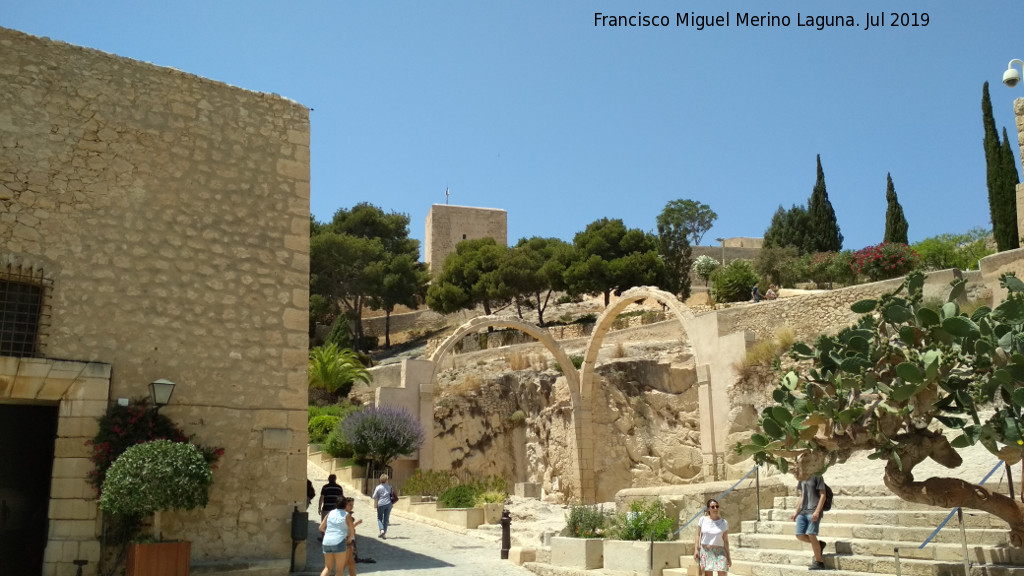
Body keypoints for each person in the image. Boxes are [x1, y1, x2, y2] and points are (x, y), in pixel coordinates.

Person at [790, 474, 828, 570]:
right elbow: (802, 496)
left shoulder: (817, 476)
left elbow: (823, 494)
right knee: (799, 535)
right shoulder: (801, 477)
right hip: (803, 511)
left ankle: (819, 562)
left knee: (811, 534)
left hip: (814, 510)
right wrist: (796, 512)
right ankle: (819, 545)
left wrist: (817, 511)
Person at [318, 497, 356, 576]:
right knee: (339, 570)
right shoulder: (347, 515)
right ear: (345, 505)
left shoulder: (330, 513)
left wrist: (328, 532)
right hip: (339, 541)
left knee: (328, 568)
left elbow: (321, 528)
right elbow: (352, 531)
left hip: (326, 542)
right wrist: (348, 540)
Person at [693, 498, 730, 575]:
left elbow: (725, 540)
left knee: (722, 573)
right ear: (708, 509)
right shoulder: (702, 520)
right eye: (712, 507)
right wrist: (696, 550)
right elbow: (698, 535)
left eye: (717, 506)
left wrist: (728, 556)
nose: (715, 508)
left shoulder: (723, 522)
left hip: (720, 552)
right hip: (706, 551)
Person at [341, 498, 362, 575]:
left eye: (352, 505)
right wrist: (349, 541)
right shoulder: (345, 515)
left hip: (349, 542)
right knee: (343, 565)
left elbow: (350, 527)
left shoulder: (346, 515)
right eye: (350, 505)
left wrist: (356, 524)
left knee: (351, 564)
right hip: (347, 542)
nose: (352, 506)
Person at [371, 473, 394, 539]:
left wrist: (379, 496)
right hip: (389, 504)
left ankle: (382, 530)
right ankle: (384, 533)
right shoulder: (390, 487)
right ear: (386, 480)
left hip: (381, 504)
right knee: (386, 519)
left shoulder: (378, 487)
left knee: (379, 518)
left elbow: (374, 496)